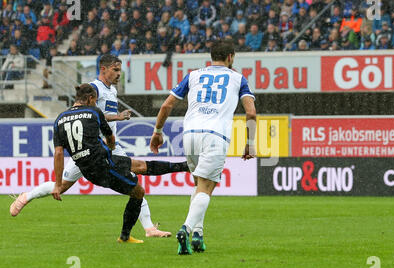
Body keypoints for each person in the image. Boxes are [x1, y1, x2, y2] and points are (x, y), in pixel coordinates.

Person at [10, 55, 190, 238]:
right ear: (103, 69)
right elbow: (89, 113)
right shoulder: (94, 88)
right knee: (64, 186)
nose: (119, 74)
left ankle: (149, 228)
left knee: (131, 178)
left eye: (120, 70)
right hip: (94, 146)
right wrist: (117, 117)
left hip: (108, 145)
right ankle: (26, 196)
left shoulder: (111, 90)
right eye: (115, 70)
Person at [150, 40, 257, 255]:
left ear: (211, 57)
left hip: (189, 135)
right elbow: (251, 113)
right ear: (230, 57)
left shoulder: (194, 75)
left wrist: (157, 132)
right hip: (215, 136)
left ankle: (198, 235)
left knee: (200, 185)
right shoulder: (238, 79)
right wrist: (250, 142)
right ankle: (186, 229)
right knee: (206, 188)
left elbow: (166, 104)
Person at [51, 84, 145, 243]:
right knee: (137, 186)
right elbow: (106, 131)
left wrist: (56, 183)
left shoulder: (60, 118)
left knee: (62, 186)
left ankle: (26, 197)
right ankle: (129, 234)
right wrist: (110, 147)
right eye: (94, 100)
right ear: (90, 99)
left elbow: (59, 152)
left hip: (79, 158)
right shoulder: (94, 108)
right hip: (96, 158)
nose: (95, 103)